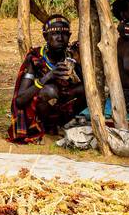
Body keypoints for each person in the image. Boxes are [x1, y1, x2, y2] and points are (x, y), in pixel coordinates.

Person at [8, 15, 85, 143]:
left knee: (88, 89)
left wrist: (79, 62)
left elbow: (86, 86)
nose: (60, 38)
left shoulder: (71, 56)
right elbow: (20, 101)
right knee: (50, 90)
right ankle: (43, 127)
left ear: (69, 36)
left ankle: (57, 125)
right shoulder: (35, 59)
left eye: (64, 34)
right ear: (45, 37)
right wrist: (48, 77)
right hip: (36, 115)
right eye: (55, 34)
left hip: (60, 112)